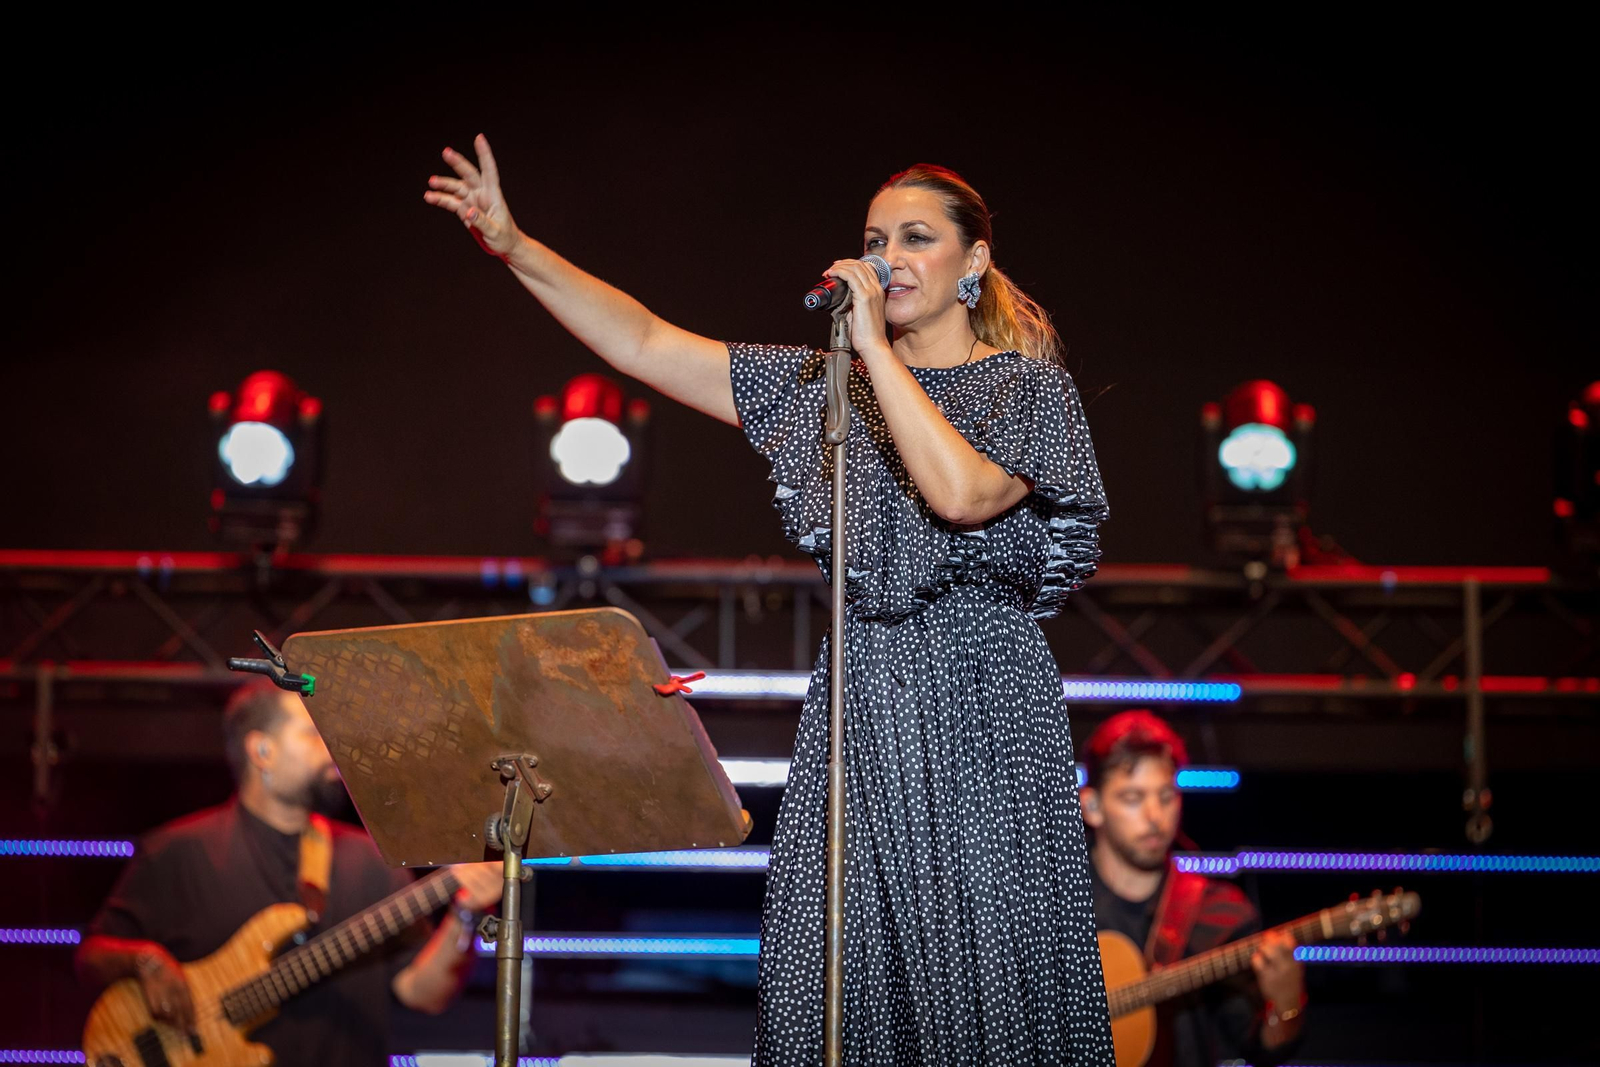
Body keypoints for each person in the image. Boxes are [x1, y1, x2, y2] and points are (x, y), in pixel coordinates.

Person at [424, 137, 1115, 1064]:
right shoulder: (826, 388)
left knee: (986, 987)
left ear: (974, 261)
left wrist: (873, 351)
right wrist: (515, 246)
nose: (888, 258)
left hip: (981, 710)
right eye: (875, 240)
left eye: (916, 238)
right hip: (860, 704)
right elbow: (644, 341)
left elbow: (960, 495)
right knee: (842, 986)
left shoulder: (1027, 389)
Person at [75, 680, 504, 1066]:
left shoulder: (371, 860)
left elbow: (424, 994)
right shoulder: (177, 853)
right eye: (313, 734)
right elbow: (90, 958)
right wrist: (145, 962)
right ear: (262, 751)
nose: (333, 748)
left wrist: (464, 915)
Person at [1079, 710, 1306, 1067]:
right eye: (1133, 798)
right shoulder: (1049, 906)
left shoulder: (1220, 915)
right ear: (1092, 807)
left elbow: (1262, 1049)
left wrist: (1288, 1005)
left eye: (1166, 795)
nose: (1155, 816)